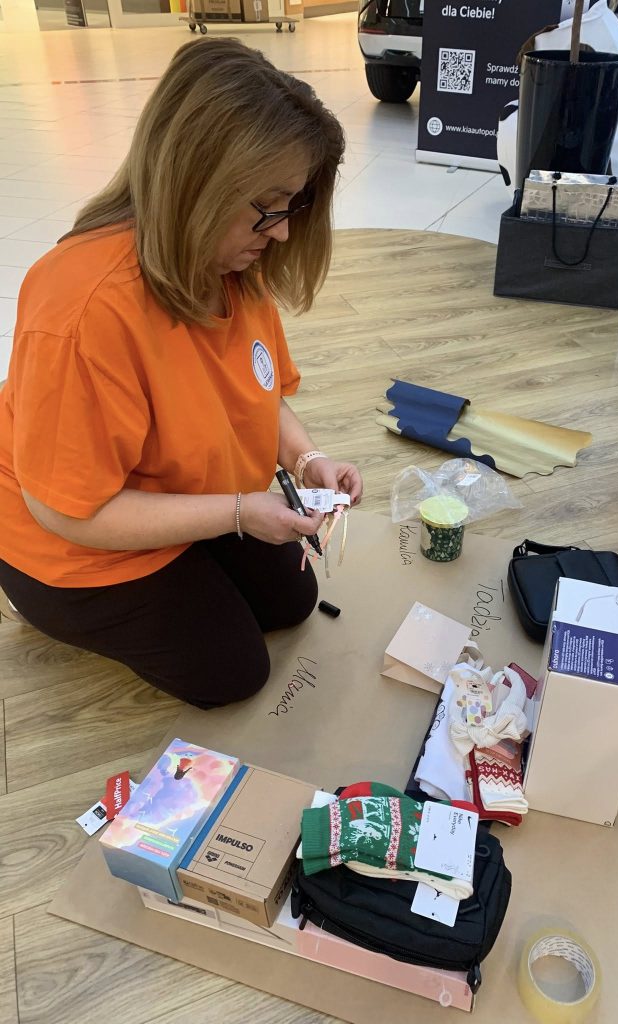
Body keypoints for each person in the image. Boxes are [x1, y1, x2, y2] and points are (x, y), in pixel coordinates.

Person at [0, 38, 362, 709]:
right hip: (66, 542)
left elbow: (263, 391)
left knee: (292, 600)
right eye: (269, 205)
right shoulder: (85, 309)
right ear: (198, 183)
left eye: (293, 204)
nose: (282, 233)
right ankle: (29, 596)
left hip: (175, 496)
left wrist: (308, 460)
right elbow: (68, 512)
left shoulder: (233, 266)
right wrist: (236, 512)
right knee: (230, 673)